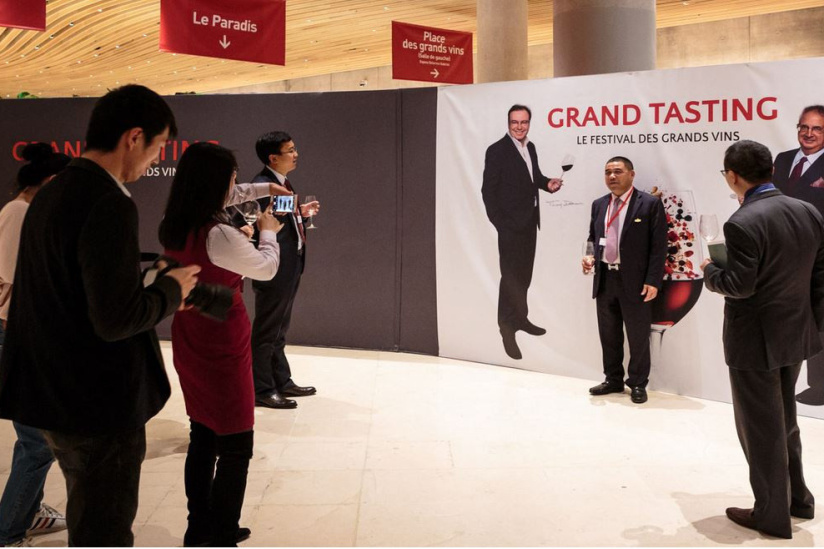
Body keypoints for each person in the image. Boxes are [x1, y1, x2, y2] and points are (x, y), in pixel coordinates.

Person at [0, 84, 200, 547]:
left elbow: (70, 295)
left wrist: (148, 285)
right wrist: (170, 289)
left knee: (88, 514)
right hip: (96, 404)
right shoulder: (109, 201)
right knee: (103, 530)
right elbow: (115, 320)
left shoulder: (51, 193)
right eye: (156, 148)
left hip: (53, 395)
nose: (153, 162)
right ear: (134, 137)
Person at [160, 142, 283, 547]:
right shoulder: (219, 234)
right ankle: (221, 533)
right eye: (231, 177)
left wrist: (263, 192)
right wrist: (267, 234)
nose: (236, 184)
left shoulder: (177, 222)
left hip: (190, 334)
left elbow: (235, 195)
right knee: (236, 443)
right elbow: (265, 269)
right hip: (222, 342)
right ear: (216, 183)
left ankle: (201, 527)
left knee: (203, 434)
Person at [702, 139, 824, 539]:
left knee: (761, 428)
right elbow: (819, 278)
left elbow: (739, 285)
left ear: (733, 176)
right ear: (771, 170)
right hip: (796, 334)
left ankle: (771, 514)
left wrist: (708, 271)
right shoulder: (807, 210)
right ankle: (798, 499)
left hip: (754, 341)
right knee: (785, 420)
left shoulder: (741, 222)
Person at [0, 143, 70, 547]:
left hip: (26, 333)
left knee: (37, 438)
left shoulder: (30, 212)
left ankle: (30, 511)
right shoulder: (19, 212)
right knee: (37, 441)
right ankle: (10, 526)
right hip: (19, 335)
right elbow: (14, 276)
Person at [582, 156, 667, 404]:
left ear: (631, 174)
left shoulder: (649, 204)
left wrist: (653, 280)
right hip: (605, 277)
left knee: (638, 336)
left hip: (636, 281)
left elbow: (659, 247)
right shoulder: (599, 205)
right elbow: (592, 237)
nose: (612, 176)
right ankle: (613, 380)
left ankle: (638, 383)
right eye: (607, 172)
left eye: (618, 171)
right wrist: (589, 258)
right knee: (608, 334)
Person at [481, 104, 563, 360]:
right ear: (508, 123)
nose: (519, 126)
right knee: (510, 277)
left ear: (529, 123)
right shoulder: (497, 150)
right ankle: (506, 329)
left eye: (524, 122)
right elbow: (488, 190)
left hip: (530, 222)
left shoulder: (531, 147)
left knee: (524, 276)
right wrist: (500, 223)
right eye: (515, 122)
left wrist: (547, 184)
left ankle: (520, 318)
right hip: (510, 227)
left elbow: (533, 177)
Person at [250, 131, 320, 409]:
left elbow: (278, 220)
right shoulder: (262, 185)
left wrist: (299, 213)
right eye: (290, 150)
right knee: (268, 329)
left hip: (290, 264)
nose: (296, 154)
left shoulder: (279, 182)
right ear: (273, 157)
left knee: (279, 327)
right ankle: (262, 388)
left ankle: (281, 380)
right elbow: (262, 226)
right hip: (274, 267)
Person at [772, 105, 824, 405]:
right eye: (804, 127)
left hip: (819, 256)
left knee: (819, 319)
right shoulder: (783, 159)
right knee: (785, 317)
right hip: (782, 253)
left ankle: (818, 386)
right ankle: (783, 378)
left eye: (817, 129)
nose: (809, 133)